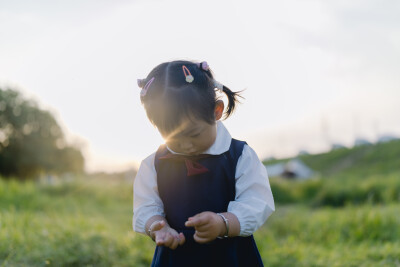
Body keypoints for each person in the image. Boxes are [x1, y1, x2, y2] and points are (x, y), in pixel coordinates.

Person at [133, 60, 275, 267]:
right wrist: (157, 227)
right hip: (175, 259)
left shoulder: (239, 155)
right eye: (173, 137)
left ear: (216, 111)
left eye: (194, 134)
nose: (187, 145)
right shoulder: (153, 165)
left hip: (231, 257)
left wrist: (223, 223)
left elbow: (256, 203)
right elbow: (146, 207)